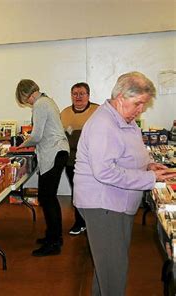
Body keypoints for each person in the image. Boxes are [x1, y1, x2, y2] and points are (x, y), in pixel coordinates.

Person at [74, 72, 176, 295]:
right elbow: (104, 172)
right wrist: (150, 179)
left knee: (108, 271)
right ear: (121, 98)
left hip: (116, 204)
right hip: (104, 206)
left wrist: (149, 165)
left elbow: (134, 151)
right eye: (138, 103)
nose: (141, 109)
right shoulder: (104, 124)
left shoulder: (124, 120)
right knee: (113, 273)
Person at [15, 79, 70, 256]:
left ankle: (54, 243)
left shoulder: (40, 104)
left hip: (53, 152)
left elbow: (37, 135)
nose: (27, 103)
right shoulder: (48, 100)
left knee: (47, 198)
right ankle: (53, 236)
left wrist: (20, 145)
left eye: (25, 100)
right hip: (58, 151)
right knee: (48, 197)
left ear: (26, 94)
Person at [60, 82, 99, 235]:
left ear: (88, 95)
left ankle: (95, 222)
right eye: (75, 94)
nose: (78, 97)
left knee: (93, 192)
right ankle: (80, 222)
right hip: (71, 160)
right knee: (77, 192)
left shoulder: (98, 111)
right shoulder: (64, 113)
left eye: (81, 93)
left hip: (93, 160)